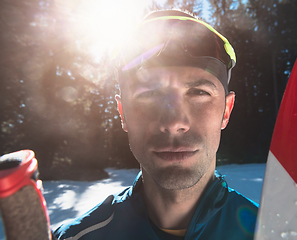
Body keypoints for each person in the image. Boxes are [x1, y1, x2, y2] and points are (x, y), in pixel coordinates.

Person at [54, 9, 258, 240]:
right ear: (123, 114)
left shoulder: (272, 233)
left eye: (199, 92)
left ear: (226, 111)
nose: (174, 122)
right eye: (148, 94)